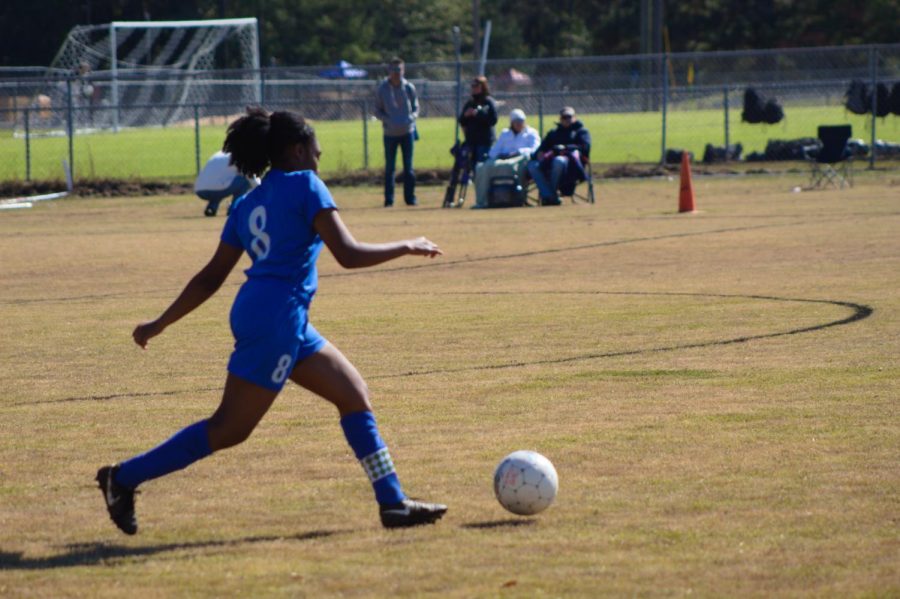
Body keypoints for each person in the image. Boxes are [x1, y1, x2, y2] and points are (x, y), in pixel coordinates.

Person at [96, 107, 448, 535]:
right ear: (298, 151)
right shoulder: (306, 184)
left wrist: (161, 322)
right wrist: (407, 244)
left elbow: (211, 277)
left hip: (272, 315)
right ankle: (123, 478)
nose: (319, 161)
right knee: (228, 429)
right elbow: (349, 254)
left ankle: (393, 503)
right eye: (316, 152)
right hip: (278, 319)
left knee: (354, 394)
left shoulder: (246, 203)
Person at [472, 109, 540, 209]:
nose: (519, 124)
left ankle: (516, 197)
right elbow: (493, 152)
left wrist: (519, 151)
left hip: (522, 158)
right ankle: (482, 201)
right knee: (481, 167)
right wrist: (503, 155)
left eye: (521, 121)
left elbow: (535, 149)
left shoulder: (531, 133)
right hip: (503, 158)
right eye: (516, 122)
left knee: (510, 166)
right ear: (512, 123)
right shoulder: (505, 134)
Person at [374, 57, 419, 207]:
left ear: (403, 70)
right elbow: (377, 110)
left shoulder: (408, 88)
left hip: (407, 132)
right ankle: (389, 200)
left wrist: (410, 118)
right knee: (390, 168)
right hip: (390, 134)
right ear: (389, 71)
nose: (396, 73)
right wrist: (387, 120)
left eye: (399, 70)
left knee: (409, 167)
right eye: (394, 70)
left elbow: (416, 108)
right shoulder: (383, 89)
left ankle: (410, 198)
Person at [527, 106, 592, 206]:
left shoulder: (581, 132)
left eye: (569, 117)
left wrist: (565, 148)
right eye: (564, 117)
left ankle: (550, 196)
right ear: (560, 119)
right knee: (532, 165)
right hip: (549, 163)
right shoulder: (554, 133)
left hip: (571, 166)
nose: (566, 120)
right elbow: (542, 148)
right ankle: (550, 196)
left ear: (574, 117)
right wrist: (539, 154)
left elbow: (585, 148)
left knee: (559, 160)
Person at [194, 150, 259, 217]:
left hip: (199, 189)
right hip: (217, 188)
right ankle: (234, 209)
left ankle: (211, 208)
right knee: (245, 181)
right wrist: (262, 190)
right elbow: (250, 177)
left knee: (221, 181)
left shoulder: (220, 153)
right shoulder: (241, 155)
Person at [458, 76, 499, 167]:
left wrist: (478, 114)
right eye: (472, 86)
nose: (474, 88)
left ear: (483, 87)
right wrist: (466, 115)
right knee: (472, 167)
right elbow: (461, 120)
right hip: (472, 142)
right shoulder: (470, 103)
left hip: (484, 142)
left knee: (483, 167)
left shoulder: (488, 102)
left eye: (476, 86)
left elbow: (493, 120)